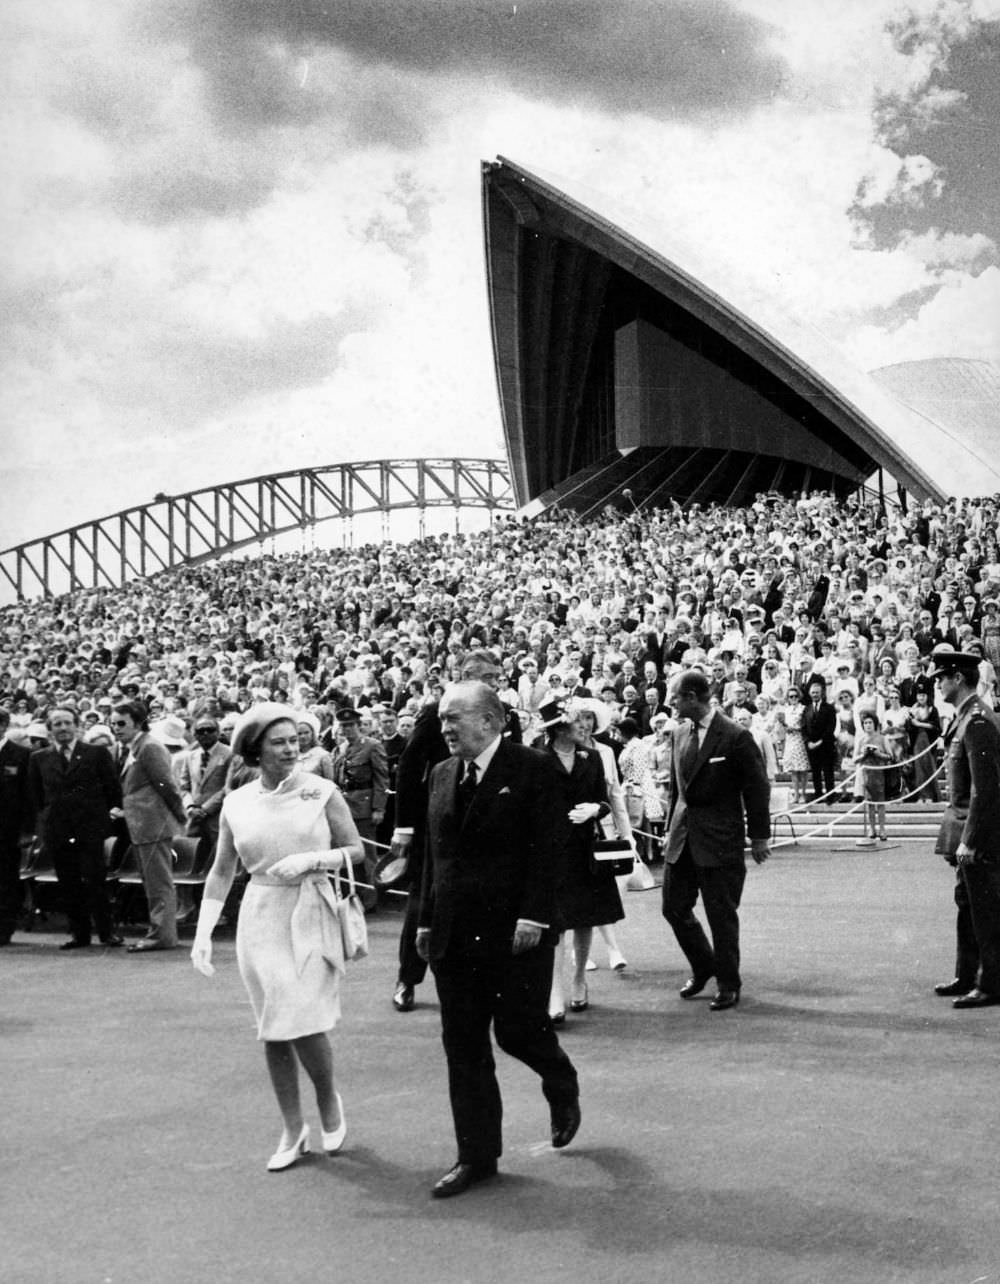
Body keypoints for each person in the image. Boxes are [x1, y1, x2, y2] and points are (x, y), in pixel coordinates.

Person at [416, 681, 580, 1198]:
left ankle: (560, 1079)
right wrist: (423, 921)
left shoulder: (533, 768)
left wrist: (534, 916)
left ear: (490, 721)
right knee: (463, 1047)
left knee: (518, 1033)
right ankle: (477, 1156)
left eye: (453, 718)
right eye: (442, 719)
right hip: (453, 935)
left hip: (516, 934)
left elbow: (551, 850)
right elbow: (432, 858)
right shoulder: (441, 774)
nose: (444, 728)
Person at [191, 703, 364, 1168]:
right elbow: (222, 869)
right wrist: (204, 930)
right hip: (260, 914)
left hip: (311, 907)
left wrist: (313, 860)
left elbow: (355, 849)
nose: (291, 750)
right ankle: (292, 1127)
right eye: (280, 742)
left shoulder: (322, 791)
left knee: (302, 1017)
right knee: (273, 1028)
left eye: (295, 740)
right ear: (255, 750)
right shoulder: (237, 801)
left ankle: (328, 1101)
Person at [387, 651, 518, 1014]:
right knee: (423, 903)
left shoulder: (505, 715)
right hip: (440, 826)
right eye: (488, 676)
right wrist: (404, 827)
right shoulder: (436, 713)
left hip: (489, 825)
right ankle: (407, 978)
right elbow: (409, 768)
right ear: (464, 677)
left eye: (498, 675)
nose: (497, 681)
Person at [662, 669, 771, 1010]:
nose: (671, 703)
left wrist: (759, 837)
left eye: (675, 697)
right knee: (673, 908)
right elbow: (676, 788)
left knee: (720, 914)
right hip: (682, 837)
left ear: (692, 697)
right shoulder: (680, 733)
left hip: (719, 838)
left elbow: (756, 788)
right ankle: (704, 965)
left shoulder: (735, 736)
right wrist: (670, 829)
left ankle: (728, 981)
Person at [538, 698, 623, 1021]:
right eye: (577, 722)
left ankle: (579, 980)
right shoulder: (538, 759)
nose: (584, 727)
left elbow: (603, 800)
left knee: (585, 916)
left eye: (586, 721)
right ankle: (554, 992)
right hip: (552, 850)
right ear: (559, 728)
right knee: (555, 923)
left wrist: (594, 810)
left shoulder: (592, 758)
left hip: (585, 849)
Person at [930, 649, 1000, 1009]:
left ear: (959, 678)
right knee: (966, 904)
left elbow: (985, 790)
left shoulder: (977, 720)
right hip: (967, 831)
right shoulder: (964, 718)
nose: (937, 683)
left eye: (942, 677)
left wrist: (970, 841)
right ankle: (966, 973)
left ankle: (991, 982)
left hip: (982, 836)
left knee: (985, 909)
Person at [27, 706, 122, 949]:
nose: (63, 728)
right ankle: (79, 934)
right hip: (58, 828)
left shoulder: (96, 753)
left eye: (67, 723)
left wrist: (105, 816)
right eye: (57, 724)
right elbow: (36, 796)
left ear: (77, 725)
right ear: (50, 730)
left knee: (95, 880)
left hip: (90, 827)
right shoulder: (39, 758)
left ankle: (106, 932)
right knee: (68, 882)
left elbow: (112, 789)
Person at [111, 699, 188, 953]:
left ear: (139, 722)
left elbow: (167, 785)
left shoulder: (150, 747)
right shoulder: (135, 747)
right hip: (142, 824)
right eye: (113, 724)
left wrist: (180, 817)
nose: (116, 728)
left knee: (158, 882)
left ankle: (162, 936)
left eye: (122, 723)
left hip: (153, 824)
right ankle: (160, 932)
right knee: (153, 882)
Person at [331, 708, 387, 911]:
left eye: (350, 725)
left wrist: (378, 808)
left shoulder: (372, 746)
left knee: (367, 853)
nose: (346, 729)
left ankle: (370, 898)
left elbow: (381, 779)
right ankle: (350, 896)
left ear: (358, 725)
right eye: (343, 726)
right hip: (343, 806)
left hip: (363, 805)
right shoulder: (340, 749)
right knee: (346, 853)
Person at [0, 708, 32, 946]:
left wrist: (27, 831)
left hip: (7, 831)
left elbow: (29, 797)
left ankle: (4, 930)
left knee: (6, 881)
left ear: (4, 725)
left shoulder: (22, 755)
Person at [851, 712, 890, 844]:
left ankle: (882, 829)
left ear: (875, 724)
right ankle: (872, 829)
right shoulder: (861, 740)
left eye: (870, 723)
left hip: (879, 772)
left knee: (880, 802)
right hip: (866, 772)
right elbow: (855, 759)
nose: (868, 725)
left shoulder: (882, 738)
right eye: (865, 723)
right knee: (869, 802)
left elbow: (890, 756)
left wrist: (878, 754)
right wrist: (863, 755)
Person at [802, 679, 838, 802]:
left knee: (828, 772)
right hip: (812, 747)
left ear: (822, 693)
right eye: (813, 692)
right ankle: (818, 795)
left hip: (826, 745)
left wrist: (820, 741)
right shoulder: (807, 709)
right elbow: (804, 727)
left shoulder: (829, 708)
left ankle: (830, 796)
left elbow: (830, 727)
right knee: (816, 773)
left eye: (817, 692)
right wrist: (808, 742)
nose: (815, 695)